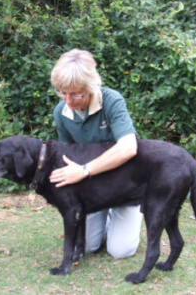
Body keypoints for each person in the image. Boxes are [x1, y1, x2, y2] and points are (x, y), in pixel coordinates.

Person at [49, 49, 142, 259]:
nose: (68, 101)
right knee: (89, 246)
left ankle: (126, 214)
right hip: (93, 186)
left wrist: (83, 170)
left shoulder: (111, 101)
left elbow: (129, 147)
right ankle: (106, 218)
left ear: (91, 87)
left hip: (124, 183)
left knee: (120, 251)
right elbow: (69, 155)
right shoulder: (60, 112)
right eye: (62, 92)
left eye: (76, 94)